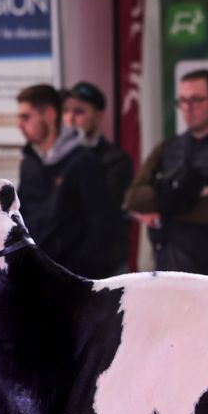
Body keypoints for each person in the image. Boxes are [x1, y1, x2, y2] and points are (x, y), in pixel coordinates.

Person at [125, 69, 208, 279]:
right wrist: (192, 195)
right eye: (183, 101)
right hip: (167, 267)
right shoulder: (168, 148)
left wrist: (161, 211)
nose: (187, 108)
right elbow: (134, 199)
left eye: (196, 100)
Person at [15, 83, 111, 279]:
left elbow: (100, 225)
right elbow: (21, 216)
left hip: (72, 278)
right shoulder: (29, 163)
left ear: (49, 115)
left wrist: (75, 273)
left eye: (26, 117)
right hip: (34, 271)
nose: (20, 125)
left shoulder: (83, 162)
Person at [64, 81, 134, 276]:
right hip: (65, 265)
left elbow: (105, 216)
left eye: (79, 112)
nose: (70, 118)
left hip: (106, 268)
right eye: (66, 111)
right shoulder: (54, 161)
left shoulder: (116, 160)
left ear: (99, 115)